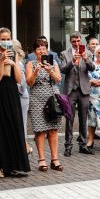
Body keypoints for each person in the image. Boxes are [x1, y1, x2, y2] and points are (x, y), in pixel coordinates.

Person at [0, 28, 31, 177]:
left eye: (8, 38)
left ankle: (13, 165)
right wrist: (1, 60)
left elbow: (19, 79)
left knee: (14, 126)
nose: (6, 41)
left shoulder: (15, 53)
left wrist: (13, 64)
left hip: (12, 92)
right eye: (3, 39)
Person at [26, 37, 63, 171]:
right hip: (37, 99)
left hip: (52, 99)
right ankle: (42, 160)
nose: (42, 51)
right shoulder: (30, 64)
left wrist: (50, 70)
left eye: (44, 48)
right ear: (34, 51)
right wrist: (36, 70)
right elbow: (29, 82)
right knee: (40, 131)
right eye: (39, 48)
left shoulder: (53, 63)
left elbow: (58, 79)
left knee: (53, 129)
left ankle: (55, 159)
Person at [59, 31, 95, 156]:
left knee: (84, 118)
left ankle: (83, 145)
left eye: (78, 41)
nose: (76, 43)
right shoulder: (64, 53)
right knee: (69, 118)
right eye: (74, 41)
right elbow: (62, 70)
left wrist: (85, 58)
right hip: (70, 90)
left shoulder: (88, 53)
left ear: (81, 40)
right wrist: (72, 62)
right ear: (70, 41)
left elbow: (92, 68)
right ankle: (68, 146)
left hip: (84, 89)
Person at [13, 40, 33, 155]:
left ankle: (24, 146)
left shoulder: (19, 64)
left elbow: (22, 85)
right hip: (18, 96)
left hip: (21, 97)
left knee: (21, 123)